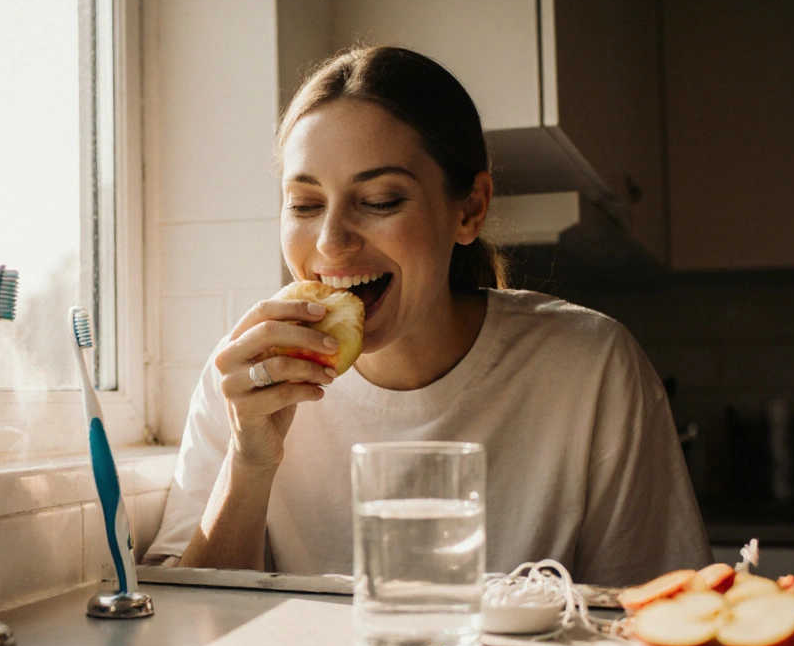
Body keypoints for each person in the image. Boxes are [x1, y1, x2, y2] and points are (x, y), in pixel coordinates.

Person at [144, 46, 711, 586]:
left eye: (381, 200)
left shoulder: (590, 369)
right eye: (305, 205)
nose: (332, 242)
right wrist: (249, 461)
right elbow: (187, 630)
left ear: (470, 209)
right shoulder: (248, 377)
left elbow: (648, 623)